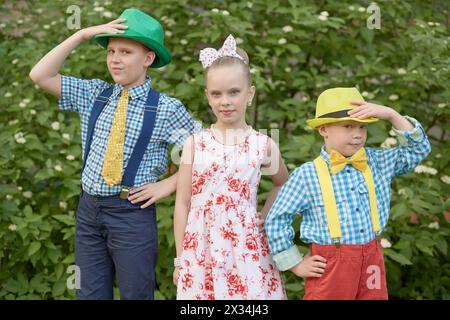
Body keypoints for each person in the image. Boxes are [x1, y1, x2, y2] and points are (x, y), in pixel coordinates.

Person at [29, 8, 199, 299]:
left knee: (136, 294)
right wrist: (82, 34)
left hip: (131, 215)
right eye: (110, 51)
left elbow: (210, 151)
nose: (115, 59)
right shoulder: (95, 93)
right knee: (90, 294)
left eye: (125, 52)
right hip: (89, 211)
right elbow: (40, 74)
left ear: (148, 59)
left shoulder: (166, 109)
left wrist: (169, 184)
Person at [265, 87, 431, 300]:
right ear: (324, 129)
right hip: (331, 265)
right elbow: (276, 219)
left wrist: (391, 114)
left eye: (362, 127)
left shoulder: (377, 162)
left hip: (372, 258)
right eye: (348, 126)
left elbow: (419, 150)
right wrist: (295, 263)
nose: (358, 134)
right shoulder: (307, 175)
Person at [173, 35, 288, 300]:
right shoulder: (194, 143)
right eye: (217, 94)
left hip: (247, 248)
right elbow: (182, 203)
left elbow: (283, 183)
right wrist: (181, 259)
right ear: (207, 96)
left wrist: (266, 214)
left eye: (233, 92)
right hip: (201, 252)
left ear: (250, 93)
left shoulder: (263, 144)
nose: (225, 101)